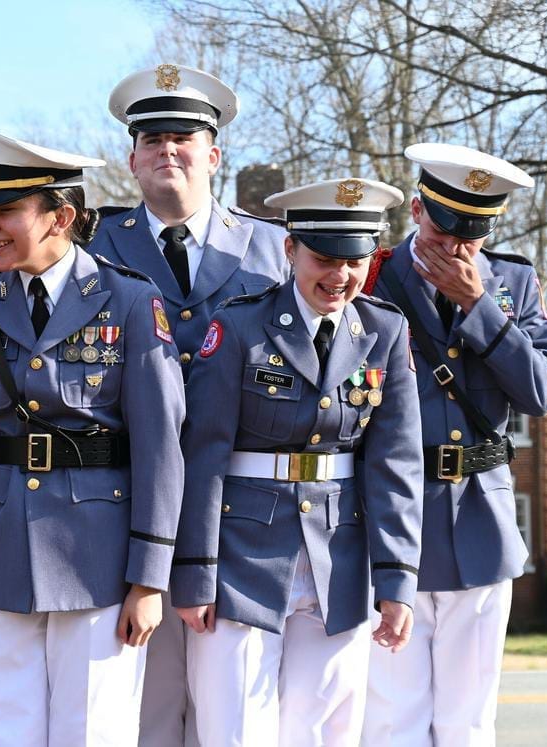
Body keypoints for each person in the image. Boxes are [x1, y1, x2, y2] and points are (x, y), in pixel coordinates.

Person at [0, 129, 186, 746]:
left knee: (95, 732)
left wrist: (149, 579)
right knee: (3, 732)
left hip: (99, 559)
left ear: (61, 217)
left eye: (7, 212)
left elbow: (160, 447)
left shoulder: (129, 300)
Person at [173, 177, 423, 745]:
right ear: (290, 250)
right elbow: (204, 454)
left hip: (340, 557)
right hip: (241, 557)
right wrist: (195, 571)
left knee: (323, 730)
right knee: (236, 728)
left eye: (355, 261)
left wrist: (397, 579)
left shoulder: (384, 330)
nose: (340, 276)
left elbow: (395, 466)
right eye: (325, 259)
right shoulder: (239, 325)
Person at [88, 62, 290, 746]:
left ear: (214, 155)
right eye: (152, 139)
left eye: (183, 138)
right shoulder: (92, 249)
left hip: (237, 510)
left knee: (231, 713)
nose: (167, 150)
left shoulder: (274, 248)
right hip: (124, 500)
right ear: (132, 158)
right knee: (139, 708)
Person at [362, 144, 547, 746]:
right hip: (389, 524)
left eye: (472, 237)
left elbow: (543, 392)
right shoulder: (371, 278)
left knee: (468, 723)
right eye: (444, 230)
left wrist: (480, 308)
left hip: (481, 522)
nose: (456, 249)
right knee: (391, 720)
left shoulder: (512, 283)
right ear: (417, 210)